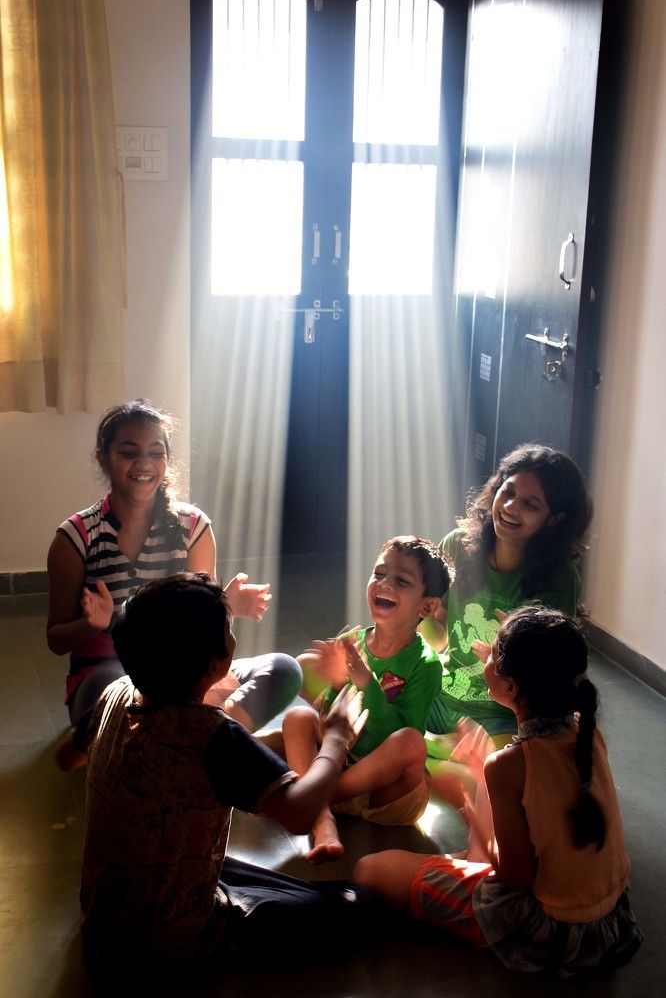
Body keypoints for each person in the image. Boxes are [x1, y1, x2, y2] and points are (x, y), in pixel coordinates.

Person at [80, 572, 379, 970]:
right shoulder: (212, 734)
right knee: (357, 905)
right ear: (214, 664)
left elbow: (81, 756)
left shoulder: (114, 693)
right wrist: (336, 740)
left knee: (243, 873)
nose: (232, 631)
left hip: (102, 920)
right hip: (170, 940)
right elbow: (298, 812)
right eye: (227, 626)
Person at [354, 607, 643, 976]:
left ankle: (461, 902)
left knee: (370, 870)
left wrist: (468, 809)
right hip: (610, 923)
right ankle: (462, 868)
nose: (484, 656)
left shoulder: (509, 765)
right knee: (484, 791)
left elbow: (513, 877)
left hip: (548, 929)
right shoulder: (585, 731)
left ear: (511, 688)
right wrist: (481, 772)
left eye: (492, 654)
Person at [47, 399, 302, 770]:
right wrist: (90, 625)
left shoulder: (193, 527)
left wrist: (225, 607)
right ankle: (216, 744)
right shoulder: (75, 537)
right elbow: (56, 639)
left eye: (156, 452)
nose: (144, 464)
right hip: (108, 674)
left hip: (186, 675)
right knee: (115, 686)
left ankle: (173, 746)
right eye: (128, 452)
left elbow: (204, 631)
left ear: (167, 460)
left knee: (284, 669)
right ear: (104, 459)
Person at [283, 536, 452, 863]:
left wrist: (365, 681)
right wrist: (337, 684)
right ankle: (322, 819)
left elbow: (396, 735)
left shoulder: (425, 664)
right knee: (297, 718)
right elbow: (333, 727)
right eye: (379, 574)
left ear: (426, 607)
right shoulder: (352, 642)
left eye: (402, 581)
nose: (384, 584)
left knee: (411, 743)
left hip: (384, 794)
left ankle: (310, 798)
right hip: (339, 763)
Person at [421, 442, 592, 748]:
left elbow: (552, 674)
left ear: (555, 518)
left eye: (531, 505)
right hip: (440, 696)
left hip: (502, 714)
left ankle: (434, 752)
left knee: (496, 767)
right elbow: (438, 637)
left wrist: (510, 657)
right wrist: (413, 613)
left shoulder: (561, 579)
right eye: (508, 492)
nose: (511, 507)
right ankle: (435, 751)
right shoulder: (456, 546)